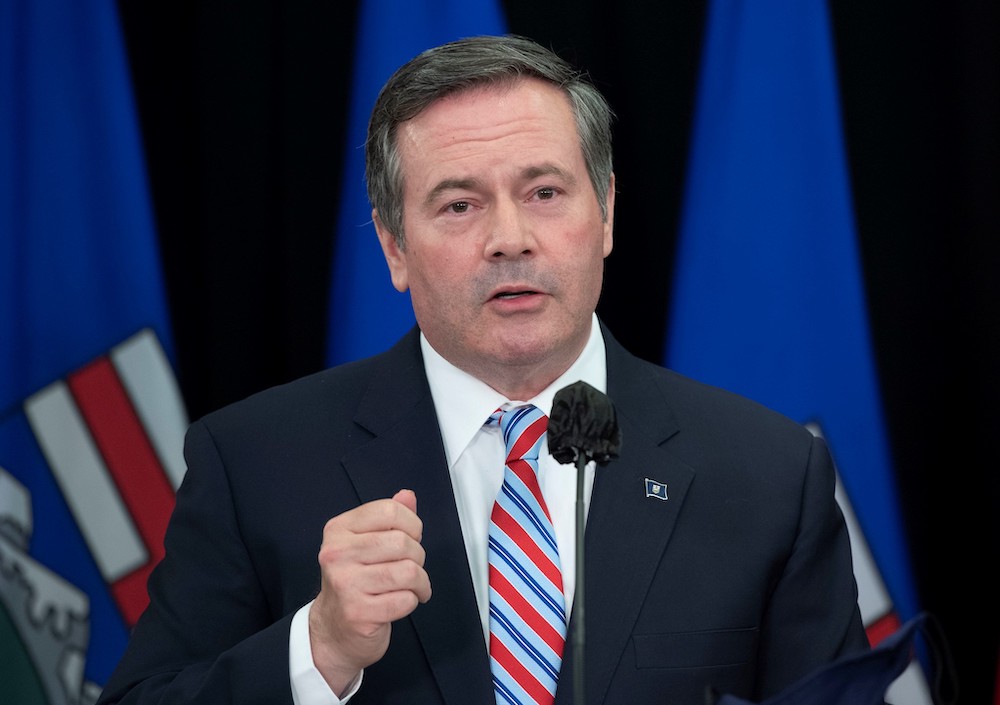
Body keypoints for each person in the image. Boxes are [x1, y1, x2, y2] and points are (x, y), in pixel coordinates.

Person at [97, 35, 868, 705]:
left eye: (544, 192)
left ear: (605, 213)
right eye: (459, 205)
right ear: (394, 247)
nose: (510, 238)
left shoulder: (768, 474)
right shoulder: (256, 462)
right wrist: (320, 648)